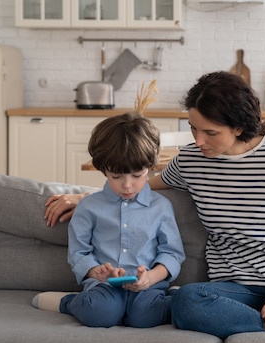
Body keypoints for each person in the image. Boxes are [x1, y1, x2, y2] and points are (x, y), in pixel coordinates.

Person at [44, 72, 265, 339]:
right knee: (186, 301)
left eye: (209, 132)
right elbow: (134, 187)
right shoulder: (192, 160)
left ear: (237, 127)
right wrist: (83, 197)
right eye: (193, 128)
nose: (198, 141)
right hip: (231, 290)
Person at [34, 112, 185, 329]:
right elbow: (79, 253)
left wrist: (151, 278)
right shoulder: (88, 207)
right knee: (101, 315)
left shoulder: (160, 207)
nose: (127, 185)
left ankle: (169, 296)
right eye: (116, 176)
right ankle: (67, 302)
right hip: (103, 286)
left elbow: (172, 253)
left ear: (150, 167)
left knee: (145, 317)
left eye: (137, 175)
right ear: (103, 169)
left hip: (148, 286)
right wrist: (97, 272)